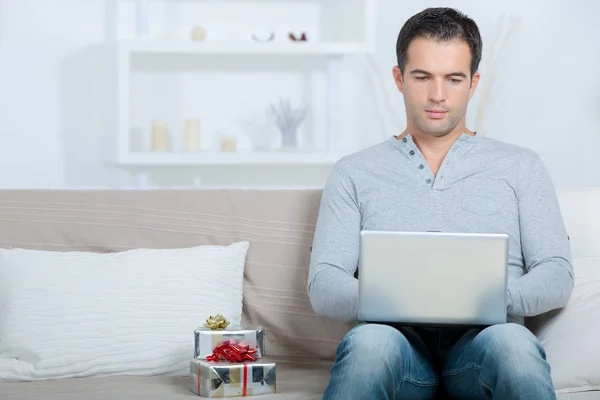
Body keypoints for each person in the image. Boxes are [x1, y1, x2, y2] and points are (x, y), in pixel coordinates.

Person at [307, 7, 574, 400]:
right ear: (399, 79)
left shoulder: (522, 166)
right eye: (422, 77)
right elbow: (323, 282)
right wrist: (396, 297)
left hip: (485, 346)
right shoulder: (353, 172)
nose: (437, 95)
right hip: (396, 348)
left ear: (473, 82)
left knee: (513, 345)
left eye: (453, 79)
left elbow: (557, 272)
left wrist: (494, 299)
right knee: (369, 344)